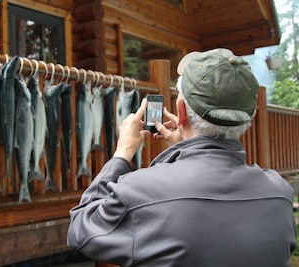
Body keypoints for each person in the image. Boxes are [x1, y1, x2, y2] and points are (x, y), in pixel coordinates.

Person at [67, 48, 297, 266]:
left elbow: (81, 231)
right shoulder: (280, 193)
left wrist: (121, 154)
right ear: (252, 115)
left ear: (181, 110)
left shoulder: (139, 191)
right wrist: (184, 148)